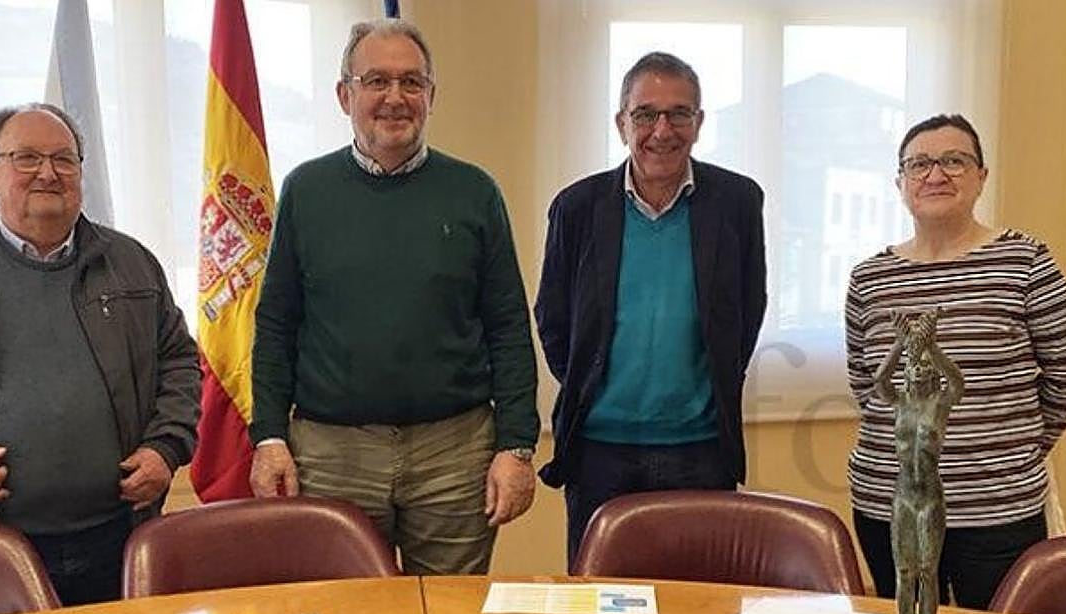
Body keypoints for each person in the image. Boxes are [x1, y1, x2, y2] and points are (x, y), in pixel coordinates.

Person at [249, 19, 539, 575]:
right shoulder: (306, 191)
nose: (395, 98)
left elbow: (507, 328)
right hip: (333, 455)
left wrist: (517, 446)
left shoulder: (475, 191)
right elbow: (277, 326)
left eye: (412, 82)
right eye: (376, 81)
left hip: (454, 455)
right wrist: (267, 437)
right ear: (345, 95)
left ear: (431, 96)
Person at [0, 103, 200, 606]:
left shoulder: (132, 265)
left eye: (64, 159)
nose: (48, 172)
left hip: (119, 537)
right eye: (26, 157)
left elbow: (178, 362)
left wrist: (166, 448)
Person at [846, 113, 1066, 610]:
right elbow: (867, 387)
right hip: (889, 503)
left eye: (954, 161)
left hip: (995, 509)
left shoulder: (1025, 261)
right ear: (900, 183)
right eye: (919, 165)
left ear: (981, 176)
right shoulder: (869, 278)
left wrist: (1015, 447)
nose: (935, 175)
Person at [534, 52, 767, 569]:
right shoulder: (577, 207)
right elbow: (552, 317)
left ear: (699, 123)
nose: (662, 130)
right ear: (622, 123)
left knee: (703, 602)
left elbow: (747, 309)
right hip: (599, 451)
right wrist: (591, 381)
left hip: (702, 449)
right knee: (601, 607)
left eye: (679, 114)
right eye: (645, 114)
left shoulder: (737, 202)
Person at [874, 309, 963, 614]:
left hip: (929, 497)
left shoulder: (939, 406)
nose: (920, 370)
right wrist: (899, 345)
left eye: (926, 366)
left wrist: (933, 346)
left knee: (928, 573)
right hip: (903, 497)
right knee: (904, 574)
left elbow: (958, 383)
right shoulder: (901, 404)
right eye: (915, 365)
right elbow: (880, 381)